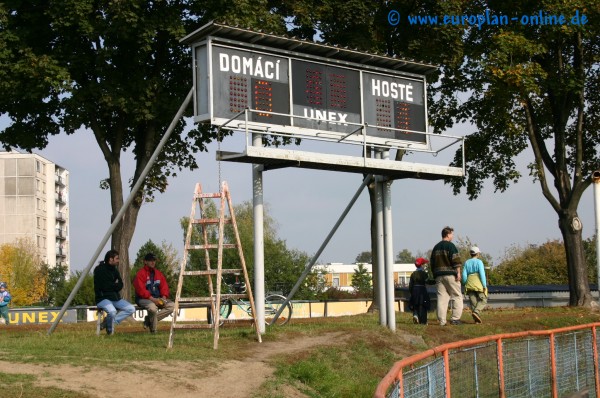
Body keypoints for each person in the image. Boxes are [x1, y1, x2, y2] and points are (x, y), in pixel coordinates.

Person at [94, 249, 135, 335]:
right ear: (110, 259)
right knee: (112, 311)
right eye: (117, 258)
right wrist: (114, 285)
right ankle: (110, 332)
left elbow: (120, 284)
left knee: (131, 308)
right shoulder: (99, 270)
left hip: (115, 298)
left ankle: (108, 322)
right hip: (102, 299)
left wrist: (113, 285)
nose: (118, 261)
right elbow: (104, 286)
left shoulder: (115, 270)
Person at [133, 253, 175, 333]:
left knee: (173, 306)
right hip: (143, 299)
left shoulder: (158, 273)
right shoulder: (140, 274)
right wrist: (153, 299)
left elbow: (164, 287)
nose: (153, 262)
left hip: (157, 298)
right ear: (145, 262)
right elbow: (141, 291)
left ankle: (148, 320)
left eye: (154, 260)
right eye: (150, 260)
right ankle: (154, 330)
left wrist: (164, 297)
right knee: (152, 308)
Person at [430, 226, 463, 326]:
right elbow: (456, 260)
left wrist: (435, 275)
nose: (452, 236)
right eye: (452, 234)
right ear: (448, 234)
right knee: (457, 296)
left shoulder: (436, 247)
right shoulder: (451, 246)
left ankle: (442, 321)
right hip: (450, 275)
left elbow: (432, 263)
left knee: (442, 298)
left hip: (439, 276)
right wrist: (458, 273)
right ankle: (455, 319)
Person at [462, 246, 488, 324]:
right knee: (483, 299)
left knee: (473, 302)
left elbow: (464, 275)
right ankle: (476, 312)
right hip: (477, 283)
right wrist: (484, 285)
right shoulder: (479, 262)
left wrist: (464, 283)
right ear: (477, 254)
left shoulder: (467, 262)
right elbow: (482, 274)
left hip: (469, 283)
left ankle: (477, 320)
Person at [408, 258, 431, 325]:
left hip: (414, 290)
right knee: (423, 304)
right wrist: (435, 281)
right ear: (422, 265)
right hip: (422, 290)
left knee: (415, 304)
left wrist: (411, 293)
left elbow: (410, 285)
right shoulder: (424, 274)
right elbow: (428, 281)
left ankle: (415, 315)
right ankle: (423, 321)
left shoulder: (413, 274)